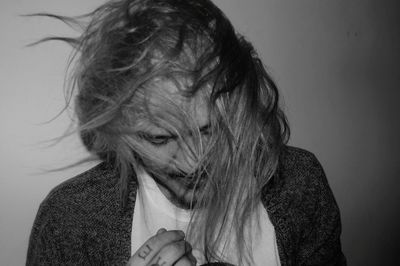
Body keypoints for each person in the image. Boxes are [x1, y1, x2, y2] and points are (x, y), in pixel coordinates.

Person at [26, 0, 346, 265]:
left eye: (211, 129)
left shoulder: (299, 183)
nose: (194, 164)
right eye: (159, 139)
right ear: (117, 132)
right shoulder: (69, 219)